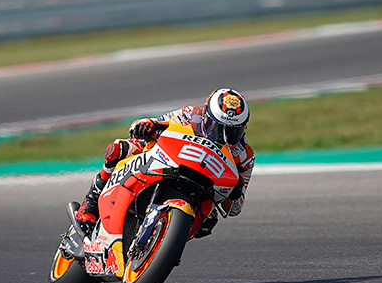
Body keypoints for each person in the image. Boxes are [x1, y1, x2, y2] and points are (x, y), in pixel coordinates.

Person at [74, 88, 254, 239]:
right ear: (206, 117)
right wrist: (146, 127)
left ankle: (163, 242)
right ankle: (89, 204)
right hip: (168, 163)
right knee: (121, 149)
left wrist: (235, 193)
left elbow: (235, 209)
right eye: (219, 128)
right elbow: (148, 123)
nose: (224, 137)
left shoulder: (245, 156)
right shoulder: (189, 115)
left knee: (210, 220)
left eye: (232, 131)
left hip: (202, 190)